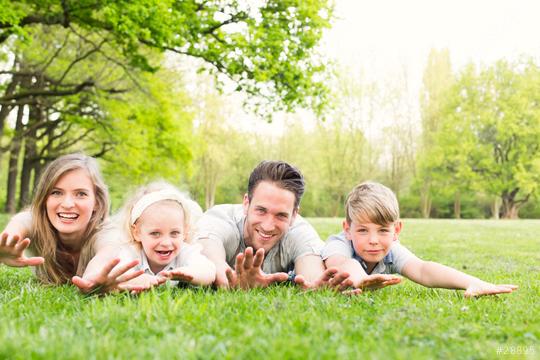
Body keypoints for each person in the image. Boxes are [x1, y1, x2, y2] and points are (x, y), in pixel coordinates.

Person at [322, 181, 519, 297]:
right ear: (347, 229)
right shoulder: (339, 244)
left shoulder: (390, 250)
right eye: (363, 231)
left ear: (396, 230)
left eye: (382, 230)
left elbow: (423, 270)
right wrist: (362, 280)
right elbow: (342, 265)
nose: (374, 240)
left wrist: (473, 282)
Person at [194, 160, 358, 291]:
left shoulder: (300, 232)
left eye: (281, 215)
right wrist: (236, 283)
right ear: (246, 203)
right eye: (261, 210)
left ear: (294, 215)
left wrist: (317, 286)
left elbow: (312, 274)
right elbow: (210, 260)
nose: (268, 225)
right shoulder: (219, 220)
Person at [0, 153, 142, 291]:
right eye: (56, 192)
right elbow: (20, 222)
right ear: (45, 199)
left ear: (97, 202)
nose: (67, 204)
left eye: (81, 194)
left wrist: (92, 278)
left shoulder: (107, 233)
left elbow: (108, 252)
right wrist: (4, 247)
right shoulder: (36, 222)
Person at [74, 182, 215, 290]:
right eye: (155, 234)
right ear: (137, 233)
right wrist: (136, 279)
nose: (166, 242)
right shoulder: (131, 252)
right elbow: (117, 274)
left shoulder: (185, 251)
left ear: (184, 232)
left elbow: (209, 271)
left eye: (174, 233)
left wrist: (188, 273)